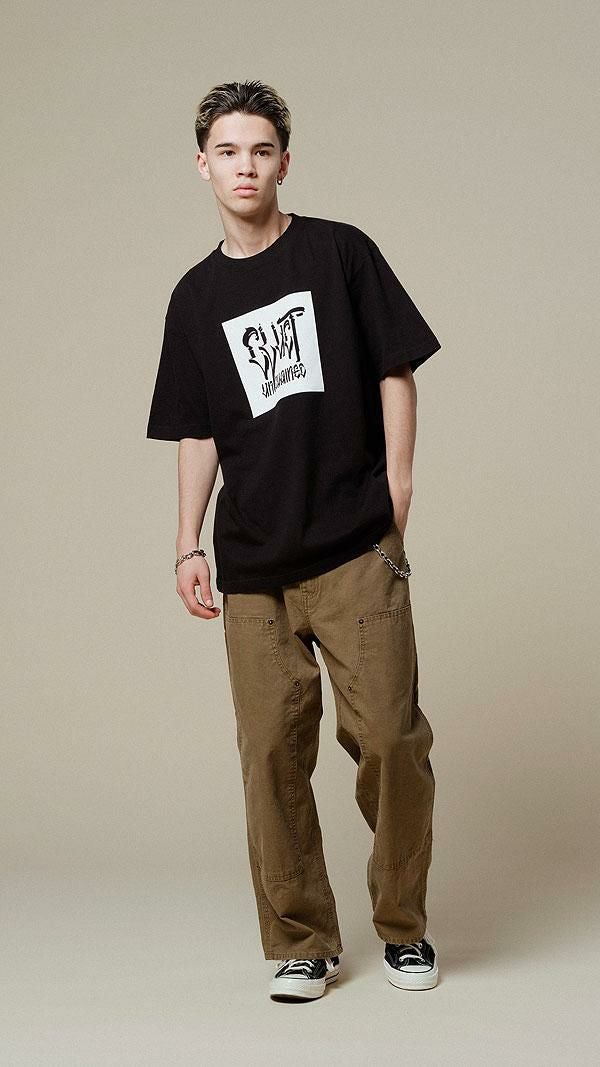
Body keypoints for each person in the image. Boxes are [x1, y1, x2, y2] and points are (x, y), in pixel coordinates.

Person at [146, 79, 442, 1001]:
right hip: (253, 566)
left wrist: (397, 491)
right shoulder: (195, 297)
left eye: (261, 150)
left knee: (390, 739)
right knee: (271, 754)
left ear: (284, 162)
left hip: (353, 545)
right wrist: (187, 542)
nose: (245, 166)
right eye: (228, 151)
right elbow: (197, 429)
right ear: (203, 165)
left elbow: (396, 367)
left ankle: (404, 927)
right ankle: (302, 939)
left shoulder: (339, 252)